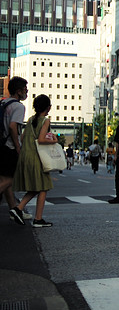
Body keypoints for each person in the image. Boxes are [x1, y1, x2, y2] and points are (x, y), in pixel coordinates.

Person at [13, 94, 57, 228]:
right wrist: (54, 140)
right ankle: (38, 219)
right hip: (37, 158)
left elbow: (22, 138)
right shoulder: (45, 121)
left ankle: (18, 208)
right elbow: (42, 139)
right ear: (48, 108)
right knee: (44, 187)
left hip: (26, 156)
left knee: (37, 187)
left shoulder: (31, 119)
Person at [0, 77, 29, 224]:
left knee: (6, 180)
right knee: (10, 179)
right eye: (25, 89)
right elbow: (13, 127)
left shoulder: (4, 102)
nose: (26, 92)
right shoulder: (18, 107)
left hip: (1, 145)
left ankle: (14, 210)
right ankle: (15, 210)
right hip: (10, 147)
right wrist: (18, 147)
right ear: (18, 91)